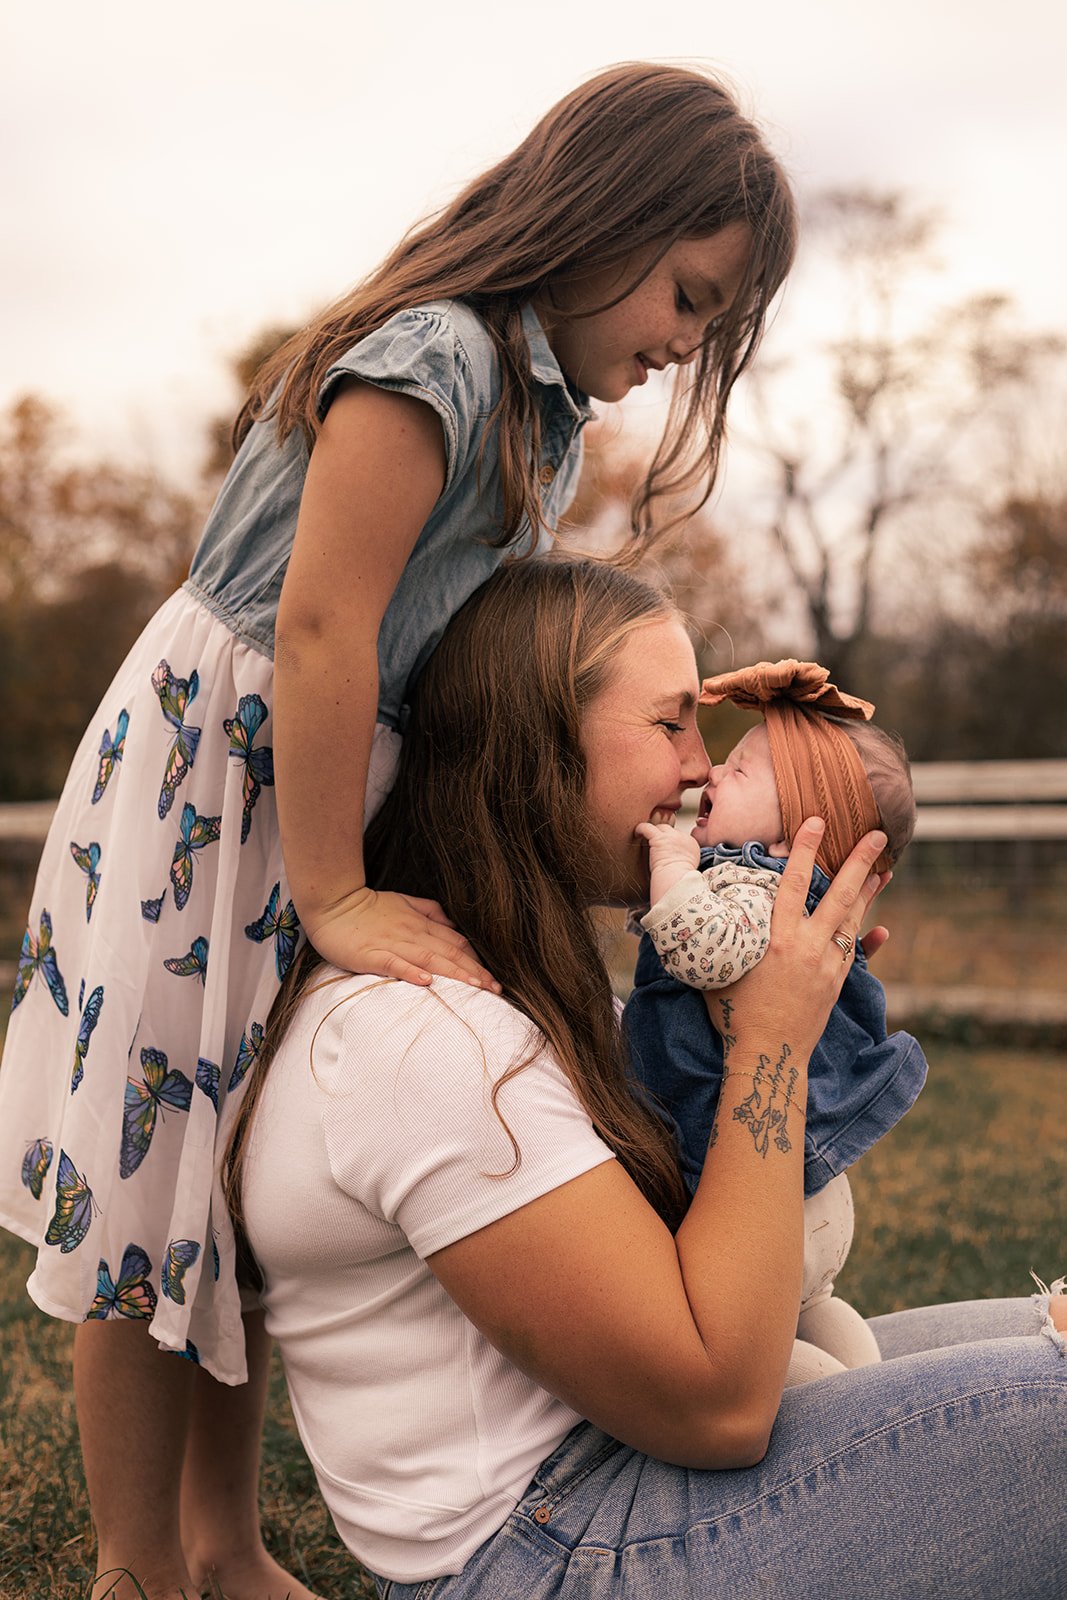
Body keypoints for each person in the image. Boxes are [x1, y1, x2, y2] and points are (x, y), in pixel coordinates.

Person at [0, 64, 798, 1600]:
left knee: (224, 1179)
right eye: (686, 297)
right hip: (218, 793)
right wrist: (336, 891)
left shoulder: (541, 416)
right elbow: (318, 630)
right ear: (608, 216)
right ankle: (135, 1568)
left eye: (708, 324)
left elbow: (448, 650)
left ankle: (227, 1546)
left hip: (315, 784)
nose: (681, 344)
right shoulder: (431, 360)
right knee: (150, 1176)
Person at [228, 560, 1067, 1600]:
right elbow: (719, 1405)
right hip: (547, 1549)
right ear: (535, 746)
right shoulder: (420, 1042)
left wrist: (773, 1002)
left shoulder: (524, 997)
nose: (698, 767)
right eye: (670, 723)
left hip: (619, 1474)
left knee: (1053, 1331)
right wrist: (768, 1043)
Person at [624, 658, 929, 1386]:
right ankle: (864, 1382)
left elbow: (704, 951)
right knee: (811, 1306)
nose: (712, 777)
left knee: (760, 1353)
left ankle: (831, 1415)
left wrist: (669, 865)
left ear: (800, 827)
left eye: (740, 769)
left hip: (747, 1198)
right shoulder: (795, 908)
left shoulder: (750, 886)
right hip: (806, 1195)